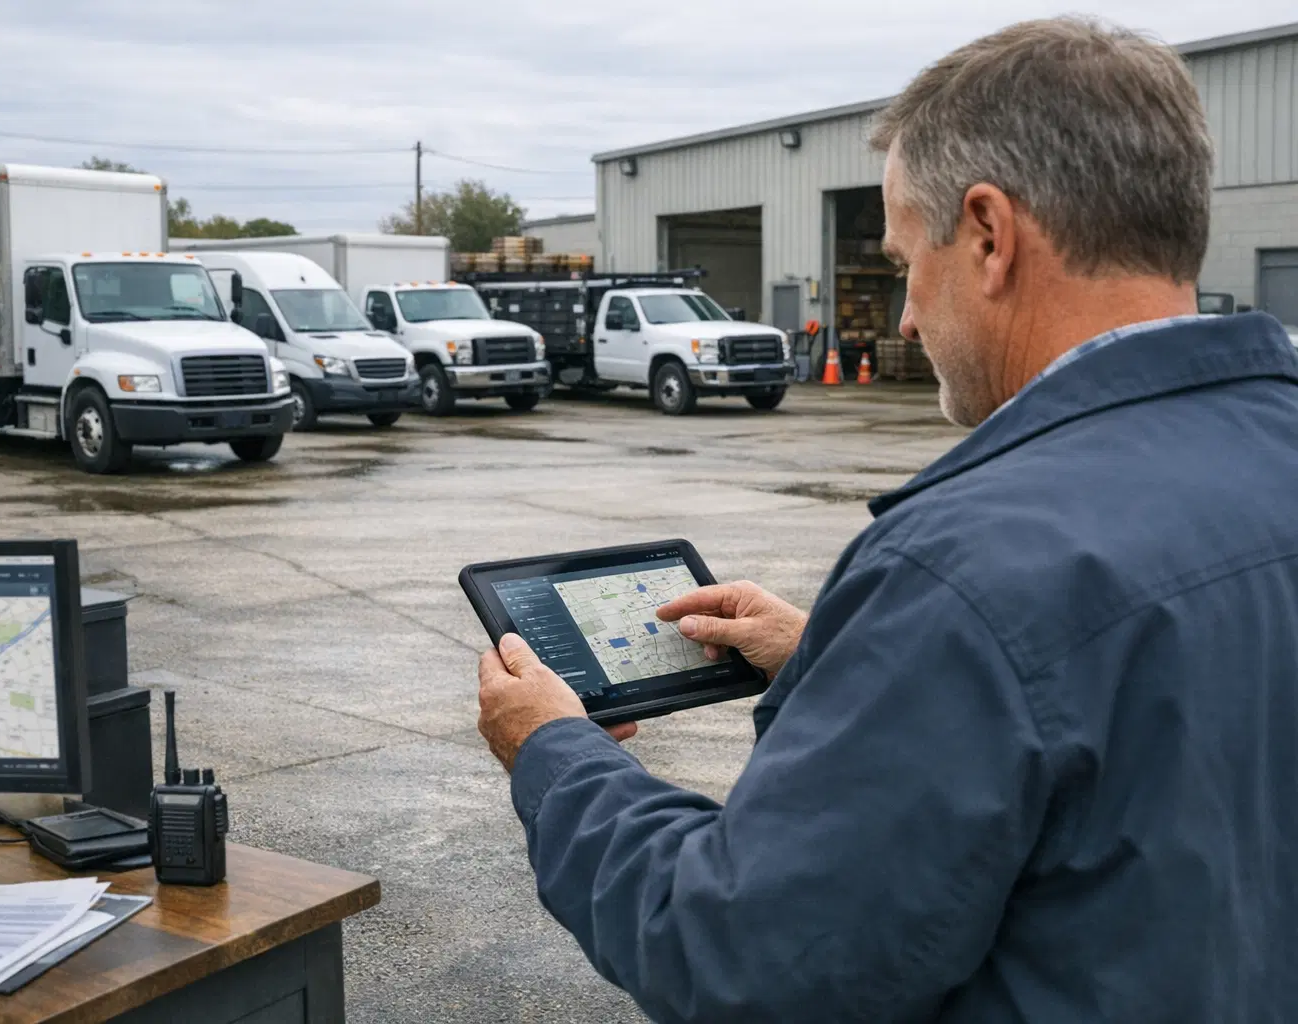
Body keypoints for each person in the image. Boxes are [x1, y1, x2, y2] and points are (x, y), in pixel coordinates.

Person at [476, 16, 1298, 1023]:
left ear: (990, 237)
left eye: (909, 257)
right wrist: (844, 653)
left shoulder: (968, 573)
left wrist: (555, 752)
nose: (905, 318)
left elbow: (742, 954)